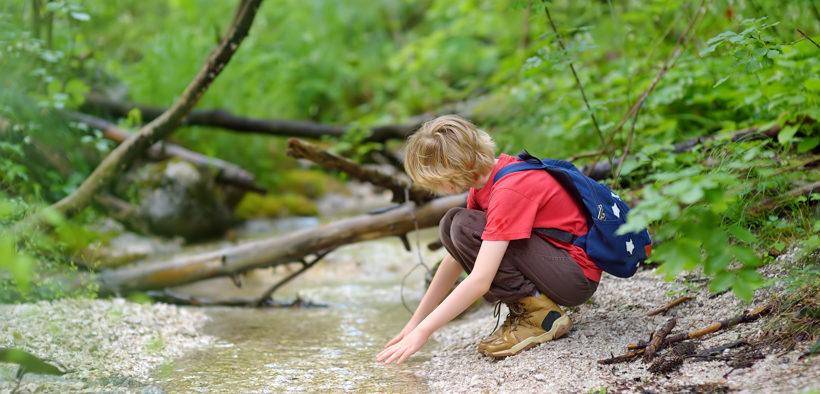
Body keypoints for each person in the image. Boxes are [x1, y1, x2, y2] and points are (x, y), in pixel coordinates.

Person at [376, 115, 600, 364]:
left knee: (461, 223)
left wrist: (424, 332)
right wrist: (415, 322)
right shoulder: (485, 182)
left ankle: (540, 316)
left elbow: (480, 280)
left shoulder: (509, 189)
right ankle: (533, 309)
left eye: (437, 180)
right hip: (556, 267)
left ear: (453, 169)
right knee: (452, 222)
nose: (437, 188)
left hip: (574, 277)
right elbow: (455, 260)